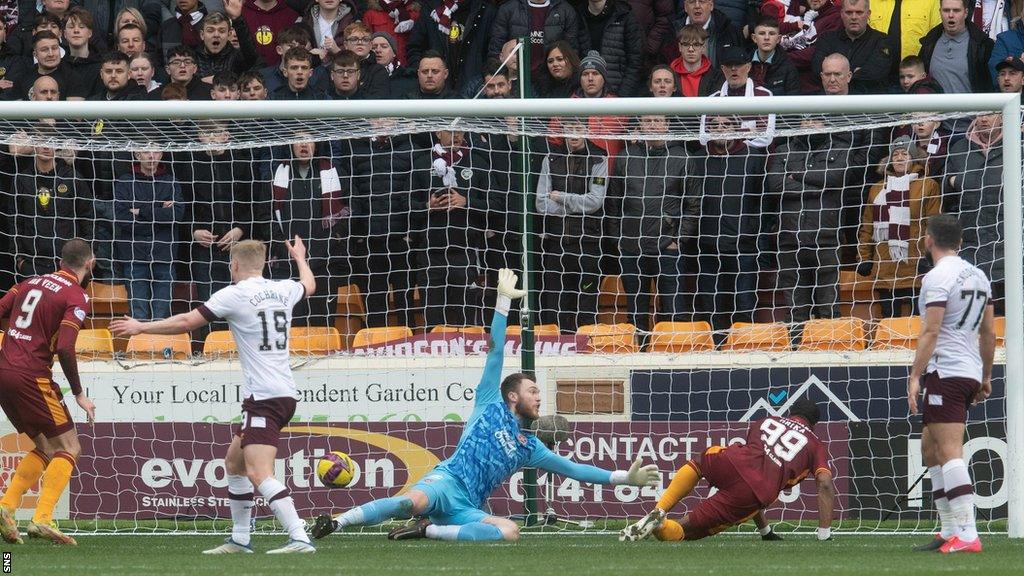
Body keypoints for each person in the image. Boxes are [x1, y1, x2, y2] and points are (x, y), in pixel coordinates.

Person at [310, 269, 660, 542]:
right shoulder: (489, 402)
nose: (539, 397)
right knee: (410, 503)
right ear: (513, 396)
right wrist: (502, 302)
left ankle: (429, 530)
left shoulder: (530, 447)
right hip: (445, 482)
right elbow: (495, 350)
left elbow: (574, 470)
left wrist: (622, 477)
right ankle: (339, 522)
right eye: (533, 391)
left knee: (509, 531)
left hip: (467, 508)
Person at [109, 237, 317, 554]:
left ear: (233, 265)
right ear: (262, 264)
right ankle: (240, 539)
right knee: (233, 464)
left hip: (264, 397)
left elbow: (185, 322)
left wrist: (141, 327)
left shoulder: (234, 295)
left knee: (259, 473)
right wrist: (300, 257)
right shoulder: (284, 289)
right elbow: (309, 285)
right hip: (281, 392)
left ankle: (299, 536)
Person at [619, 399, 835, 543]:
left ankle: (660, 508)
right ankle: (662, 525)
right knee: (688, 531)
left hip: (733, 460)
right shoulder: (815, 443)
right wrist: (824, 533)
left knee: (701, 461)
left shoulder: (765, 420)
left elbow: (755, 463)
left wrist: (765, 532)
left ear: (790, 413)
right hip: (755, 491)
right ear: (814, 424)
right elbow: (824, 482)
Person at [0, 238, 97, 546]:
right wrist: (79, 393)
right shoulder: (77, 295)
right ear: (89, 264)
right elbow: (66, 348)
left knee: (44, 444)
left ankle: (5, 507)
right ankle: (42, 518)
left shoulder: (28, 282)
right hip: (32, 375)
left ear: (61, 260)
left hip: (4, 371)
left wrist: (17, 337)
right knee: (70, 446)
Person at [907, 214, 995, 554]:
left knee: (948, 450)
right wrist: (985, 376)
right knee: (929, 448)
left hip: (947, 370)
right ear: (959, 241)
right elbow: (988, 332)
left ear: (928, 240)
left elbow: (931, 330)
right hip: (967, 369)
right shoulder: (978, 274)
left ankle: (968, 534)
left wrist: (915, 376)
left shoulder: (937, 277)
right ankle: (948, 530)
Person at [856, 136, 942, 318]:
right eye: (896, 154)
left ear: (913, 158)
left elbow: (934, 225)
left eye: (905, 153)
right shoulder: (877, 188)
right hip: (885, 266)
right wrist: (864, 257)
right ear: (890, 159)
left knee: (918, 323)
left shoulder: (928, 185)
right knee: (888, 324)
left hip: (916, 266)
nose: (900, 158)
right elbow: (867, 227)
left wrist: (931, 257)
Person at [536, 120, 609, 331]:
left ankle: (584, 353)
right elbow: (541, 203)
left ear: (586, 131)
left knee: (585, 307)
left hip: (587, 245)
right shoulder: (551, 158)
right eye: (569, 130)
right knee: (556, 307)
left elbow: (595, 201)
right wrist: (573, 204)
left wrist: (561, 197)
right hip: (557, 244)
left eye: (578, 129)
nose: (574, 134)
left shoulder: (598, 158)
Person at [812, 0, 898, 94]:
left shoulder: (882, 41)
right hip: (831, 102)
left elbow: (876, 73)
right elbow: (818, 69)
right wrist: (857, 71)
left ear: (868, 14)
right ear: (841, 14)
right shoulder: (826, 39)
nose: (854, 17)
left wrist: (838, 72)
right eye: (849, 12)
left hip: (868, 102)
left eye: (859, 12)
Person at [918, 0, 995, 94]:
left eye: (956, 10)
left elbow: (990, 86)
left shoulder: (982, 44)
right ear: (940, 12)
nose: (951, 15)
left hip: (972, 107)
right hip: (935, 108)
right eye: (946, 10)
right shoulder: (929, 43)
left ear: (966, 13)